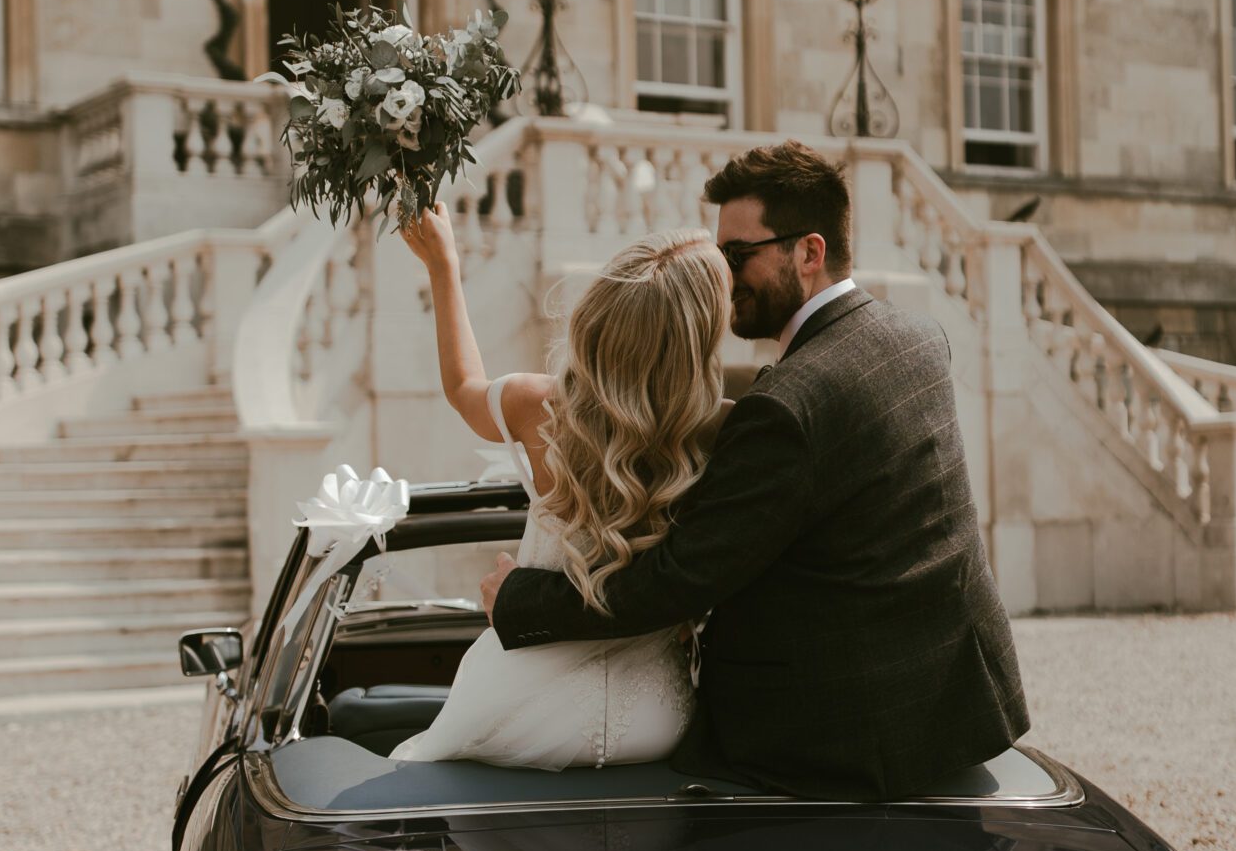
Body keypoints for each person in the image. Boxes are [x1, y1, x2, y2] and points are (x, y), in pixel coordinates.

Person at [484, 139, 1028, 801]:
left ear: (808, 252)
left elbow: (676, 581)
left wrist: (516, 600)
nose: (722, 275)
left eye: (737, 256)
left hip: (836, 739)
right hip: (957, 703)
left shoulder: (783, 407)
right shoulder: (916, 339)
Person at [389, 201, 729, 769]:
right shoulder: (720, 430)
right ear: (697, 342)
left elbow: (463, 385)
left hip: (522, 710)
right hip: (655, 718)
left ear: (601, 320)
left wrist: (443, 264)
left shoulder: (538, 406)